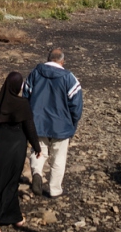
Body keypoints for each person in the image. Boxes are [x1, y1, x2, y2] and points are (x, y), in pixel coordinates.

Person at [0, 72, 42, 232]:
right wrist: (37, 147)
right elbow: (29, 128)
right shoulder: (22, 104)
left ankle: (15, 217)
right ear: (18, 87)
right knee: (10, 183)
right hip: (17, 147)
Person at [23, 48, 83, 198]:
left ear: (48, 58)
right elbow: (76, 104)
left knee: (38, 151)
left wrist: (27, 120)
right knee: (58, 158)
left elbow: (25, 96)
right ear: (62, 61)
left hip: (37, 123)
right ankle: (55, 190)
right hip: (61, 125)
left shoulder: (35, 73)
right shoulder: (69, 78)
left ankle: (37, 172)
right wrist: (73, 123)